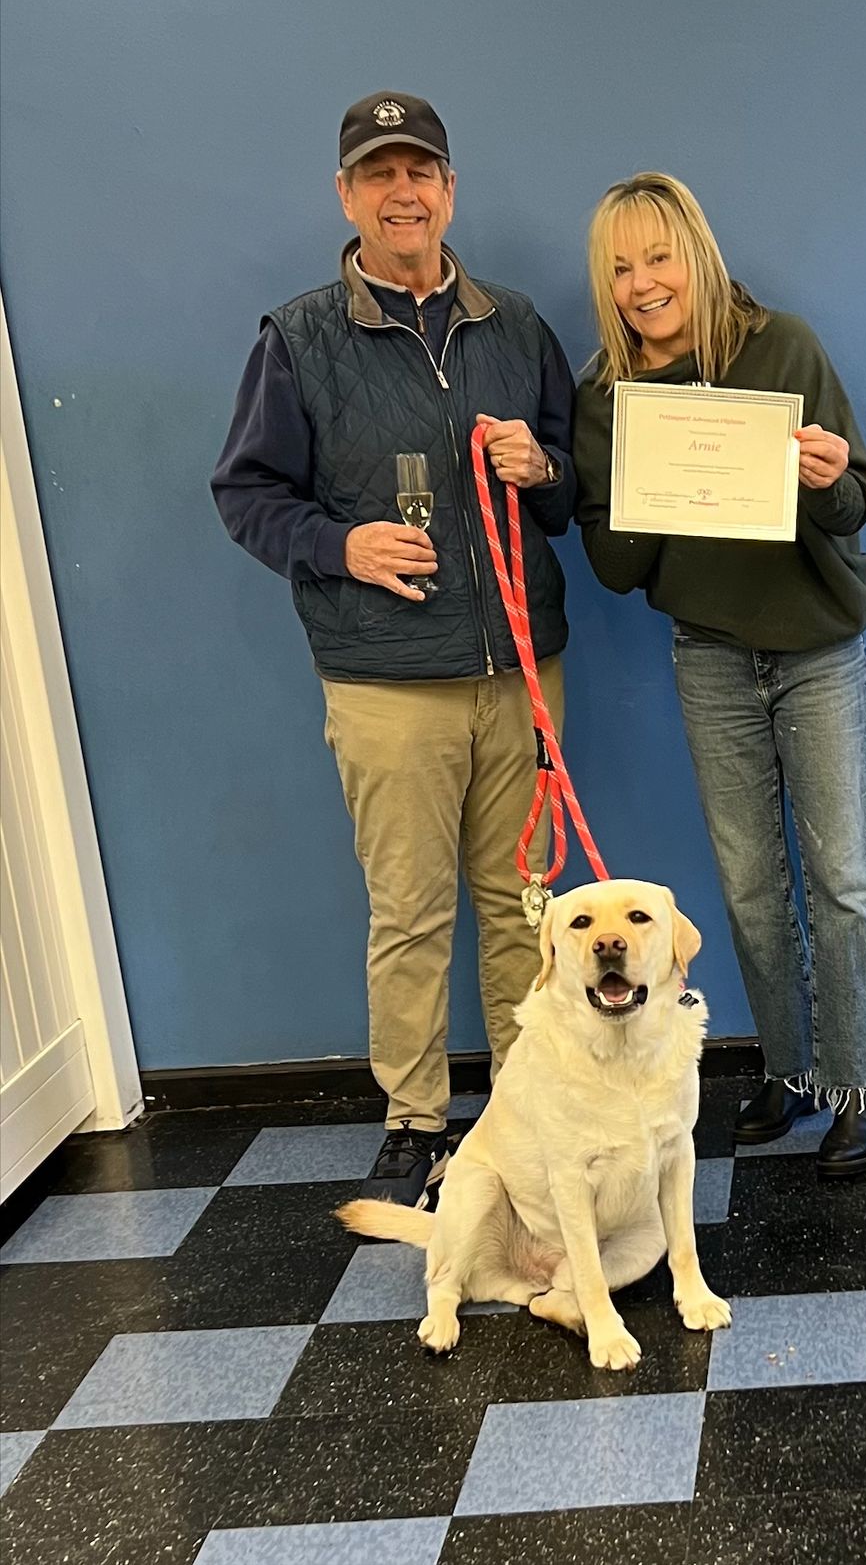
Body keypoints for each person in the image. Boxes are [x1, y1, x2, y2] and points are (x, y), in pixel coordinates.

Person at [211, 92, 577, 1207]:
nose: (402, 192)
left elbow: (574, 478)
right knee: (410, 912)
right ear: (347, 196)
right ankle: (416, 1120)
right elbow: (246, 494)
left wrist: (542, 470)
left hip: (521, 669)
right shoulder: (300, 336)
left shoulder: (515, 326)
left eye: (420, 171)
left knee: (524, 908)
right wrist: (339, 544)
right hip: (385, 682)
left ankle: (527, 1106)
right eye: (379, 175)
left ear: (451, 190)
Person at [571, 173, 866, 1178]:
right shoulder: (604, 397)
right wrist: (646, 479)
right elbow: (617, 569)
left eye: (658, 257)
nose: (641, 283)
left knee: (838, 878)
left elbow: (856, 504)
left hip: (817, 647)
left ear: (697, 256)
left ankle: (862, 1084)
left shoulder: (780, 347)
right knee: (751, 889)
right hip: (708, 652)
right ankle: (790, 1069)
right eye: (620, 268)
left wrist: (830, 474)